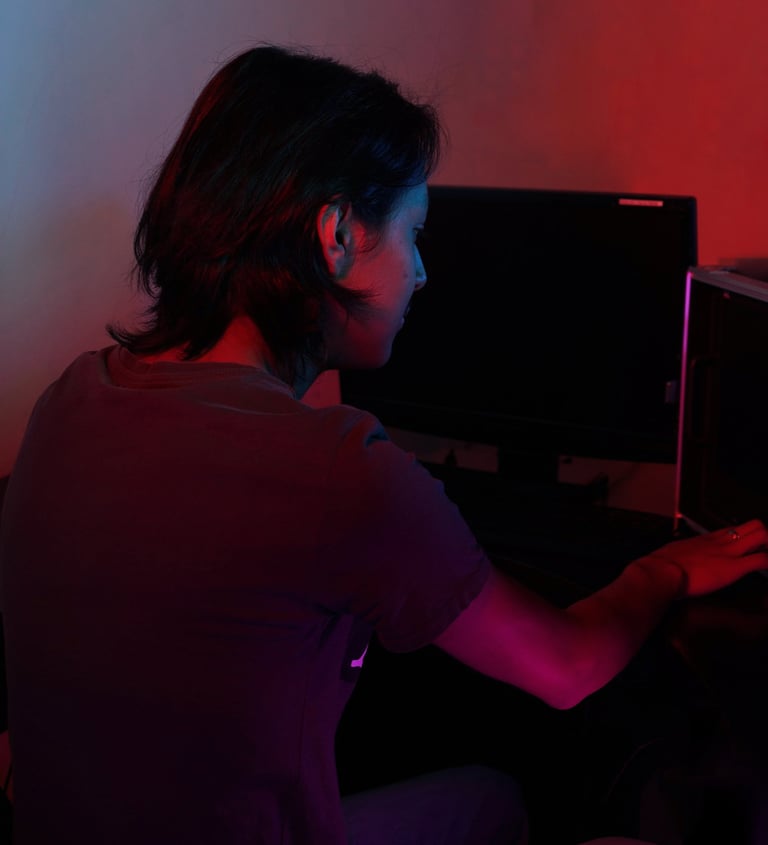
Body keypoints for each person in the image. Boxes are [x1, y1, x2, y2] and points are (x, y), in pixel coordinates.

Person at [0, 43, 766, 845]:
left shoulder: (69, 397)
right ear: (335, 235)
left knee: (486, 802)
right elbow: (566, 667)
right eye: (413, 231)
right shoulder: (336, 469)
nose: (423, 272)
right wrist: (663, 569)